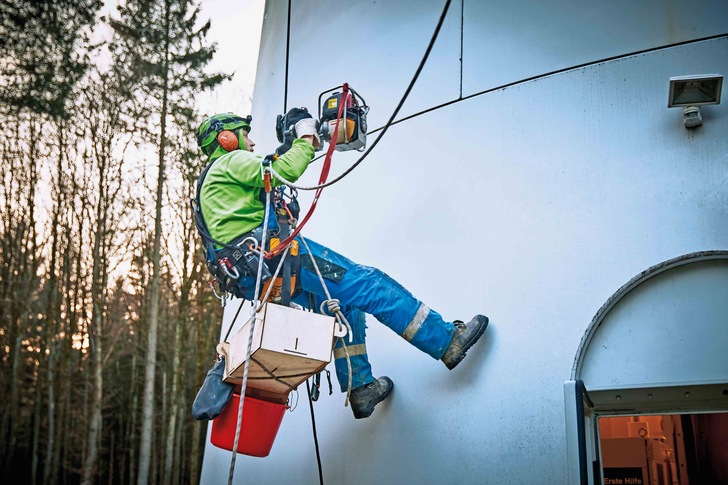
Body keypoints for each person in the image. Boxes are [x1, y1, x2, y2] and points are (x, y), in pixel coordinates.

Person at [195, 111, 488, 419]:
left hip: (254, 275)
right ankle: (445, 341)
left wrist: (294, 145)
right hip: (280, 257)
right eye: (245, 135)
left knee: (343, 306)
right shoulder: (231, 162)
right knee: (367, 283)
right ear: (226, 139)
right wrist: (306, 136)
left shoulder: (213, 182)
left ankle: (361, 388)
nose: (251, 142)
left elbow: (272, 169)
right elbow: (284, 170)